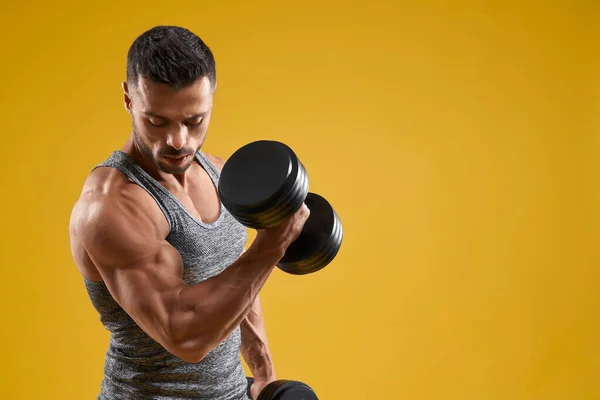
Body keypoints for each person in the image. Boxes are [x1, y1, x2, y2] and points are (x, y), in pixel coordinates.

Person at [68, 25, 310, 400]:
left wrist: (263, 372)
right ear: (129, 99)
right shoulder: (110, 206)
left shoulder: (219, 173)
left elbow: (237, 278)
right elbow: (185, 335)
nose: (178, 141)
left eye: (194, 121)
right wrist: (270, 245)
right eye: (157, 121)